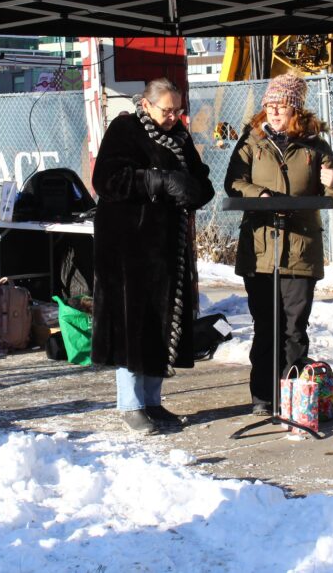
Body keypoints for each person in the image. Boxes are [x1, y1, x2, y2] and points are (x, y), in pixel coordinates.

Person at [91, 77, 215, 434]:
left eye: (178, 111)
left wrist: (193, 190)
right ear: (146, 104)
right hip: (129, 247)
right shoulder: (125, 129)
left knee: (161, 323)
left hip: (167, 248)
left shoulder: (180, 136)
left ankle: (153, 400)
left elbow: (200, 179)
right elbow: (107, 180)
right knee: (133, 324)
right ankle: (131, 404)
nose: (174, 117)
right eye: (167, 110)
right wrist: (156, 180)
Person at [224, 73, 333, 416]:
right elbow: (233, 182)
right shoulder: (251, 142)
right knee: (267, 326)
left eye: (282, 106)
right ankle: (263, 396)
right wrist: (260, 194)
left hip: (300, 250)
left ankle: (293, 395)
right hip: (261, 251)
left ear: (296, 109)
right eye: (270, 106)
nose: (275, 112)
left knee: (294, 328)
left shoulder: (314, 146)